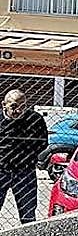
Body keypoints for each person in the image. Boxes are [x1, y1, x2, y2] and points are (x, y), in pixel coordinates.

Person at [0, 90, 48, 224]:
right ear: (4, 105)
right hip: (1, 170)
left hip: (25, 172)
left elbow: (42, 143)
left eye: (23, 106)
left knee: (28, 214)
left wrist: (27, 158)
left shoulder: (35, 119)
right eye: (14, 106)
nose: (18, 110)